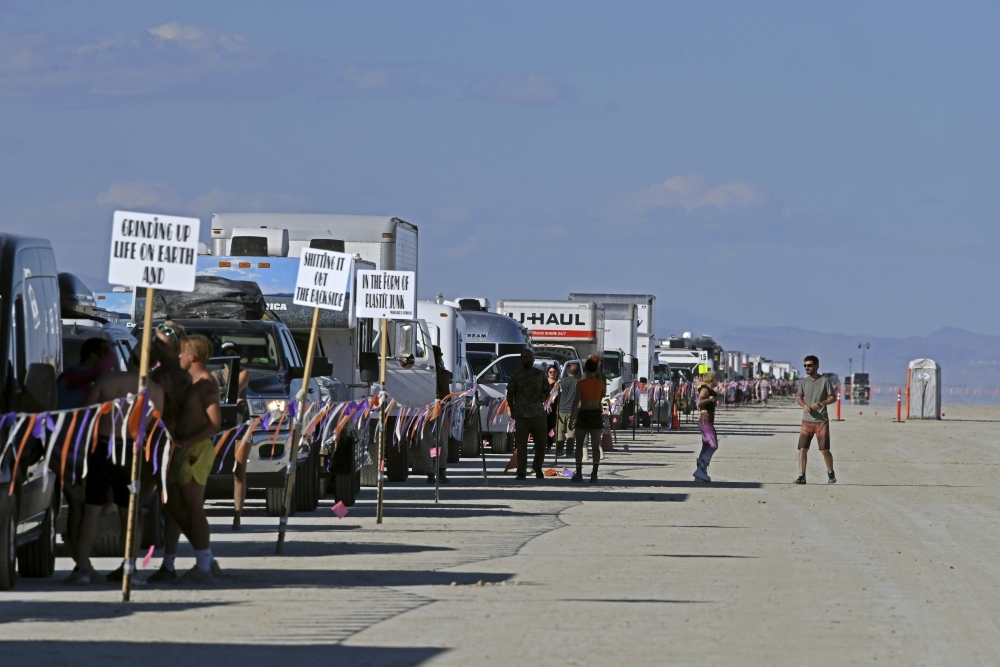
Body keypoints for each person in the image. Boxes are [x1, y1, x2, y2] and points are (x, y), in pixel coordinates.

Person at [65, 345, 165, 585]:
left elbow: (87, 411)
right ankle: (129, 567)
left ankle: (82, 568)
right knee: (128, 512)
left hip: (102, 446)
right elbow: (153, 425)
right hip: (131, 450)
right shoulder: (155, 390)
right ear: (152, 366)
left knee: (92, 509)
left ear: (130, 357)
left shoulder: (108, 379)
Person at [164, 334, 221, 585]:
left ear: (193, 356)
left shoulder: (206, 383)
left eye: (182, 352)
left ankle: (203, 566)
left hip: (195, 451)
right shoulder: (192, 383)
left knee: (192, 506)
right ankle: (206, 556)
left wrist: (186, 442)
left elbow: (214, 424)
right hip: (182, 450)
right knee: (172, 506)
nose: (179, 356)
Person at [56, 337, 113, 576]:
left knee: (81, 505)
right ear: (93, 356)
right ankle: (81, 563)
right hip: (67, 450)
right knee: (79, 506)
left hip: (74, 450)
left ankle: (81, 561)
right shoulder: (73, 376)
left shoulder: (76, 378)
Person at [215, 340, 251, 531]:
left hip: (240, 425)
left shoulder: (243, 372)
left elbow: (234, 389)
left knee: (239, 471)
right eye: (225, 353)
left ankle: (237, 516)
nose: (229, 357)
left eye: (233, 354)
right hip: (218, 425)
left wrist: (220, 393)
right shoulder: (215, 373)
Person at [505, 349, 550, 479]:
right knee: (521, 445)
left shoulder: (540, 375)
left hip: (538, 415)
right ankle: (521, 471)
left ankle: (538, 467)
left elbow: (547, 390)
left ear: (534, 359)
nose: (528, 359)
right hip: (522, 415)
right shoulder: (516, 375)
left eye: (530, 357)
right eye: (525, 357)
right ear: (522, 359)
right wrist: (512, 410)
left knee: (541, 443)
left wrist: (543, 398)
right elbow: (510, 394)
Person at [795, 355, 837, 484]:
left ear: (817, 366)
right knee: (803, 448)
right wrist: (804, 406)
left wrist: (821, 403)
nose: (807, 368)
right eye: (805, 366)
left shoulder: (824, 381)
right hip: (807, 421)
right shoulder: (804, 381)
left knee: (824, 449)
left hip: (821, 421)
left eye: (809, 365)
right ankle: (802, 475)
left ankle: (830, 472)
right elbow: (799, 397)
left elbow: (833, 397)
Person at [571, 356, 606, 483]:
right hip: (596, 413)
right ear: (596, 369)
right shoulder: (600, 383)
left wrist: (571, 419)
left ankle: (579, 472)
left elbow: (576, 402)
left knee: (579, 444)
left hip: (584, 413)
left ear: (585, 369)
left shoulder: (580, 383)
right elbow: (602, 395)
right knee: (595, 446)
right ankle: (594, 473)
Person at [422, 345, 452, 485]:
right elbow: (446, 395)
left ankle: (430, 472)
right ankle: (441, 470)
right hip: (440, 408)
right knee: (441, 441)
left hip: (424, 408)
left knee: (427, 441)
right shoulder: (444, 374)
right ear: (439, 357)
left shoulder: (422, 372)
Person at [693, 371, 719, 483]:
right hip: (705, 420)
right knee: (713, 445)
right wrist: (710, 399)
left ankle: (700, 473)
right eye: (716, 378)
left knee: (706, 446)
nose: (718, 380)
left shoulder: (707, 389)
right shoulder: (705, 389)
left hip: (706, 420)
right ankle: (701, 469)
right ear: (711, 380)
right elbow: (699, 402)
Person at [556, 363, 580, 458]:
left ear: (568, 371)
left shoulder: (561, 382)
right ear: (577, 373)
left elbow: (556, 396)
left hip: (561, 409)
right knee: (571, 430)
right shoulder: (579, 383)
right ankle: (569, 451)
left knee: (560, 431)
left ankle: (559, 450)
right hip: (573, 410)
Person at [545, 365, 559, 453]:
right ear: (547, 373)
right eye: (550, 372)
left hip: (553, 409)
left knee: (551, 427)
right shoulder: (544, 383)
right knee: (541, 427)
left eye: (554, 372)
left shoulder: (557, 384)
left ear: (556, 373)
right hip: (543, 408)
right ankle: (538, 445)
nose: (552, 374)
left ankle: (549, 445)